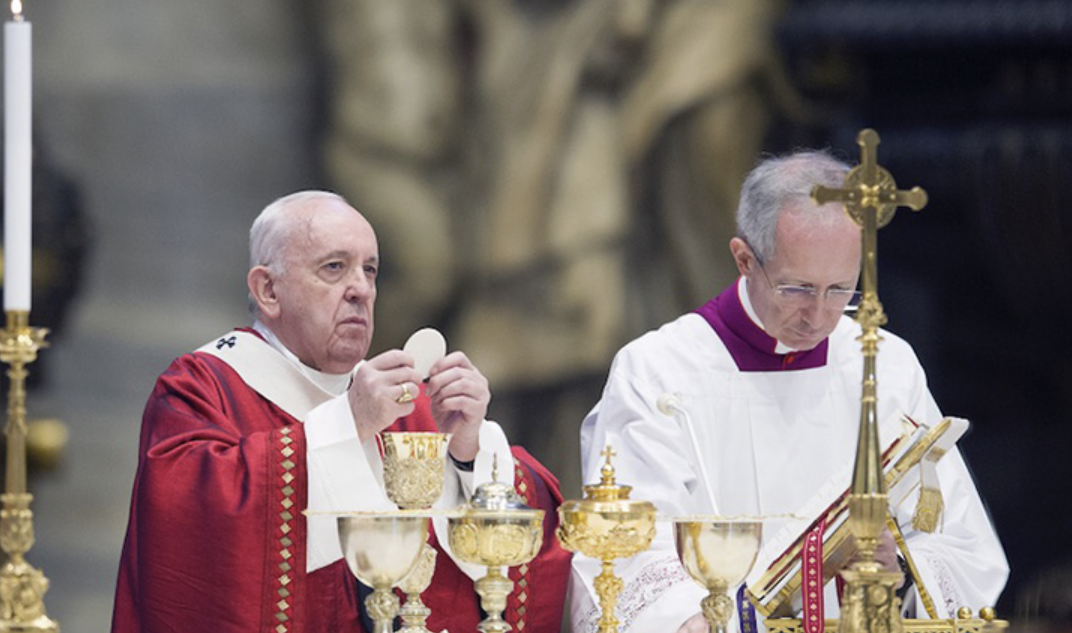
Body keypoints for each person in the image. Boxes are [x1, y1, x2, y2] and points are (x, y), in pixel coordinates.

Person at [568, 151, 1008, 633]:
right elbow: (630, 553)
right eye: (796, 288)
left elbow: (963, 545)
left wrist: (898, 567)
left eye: (842, 290)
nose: (818, 316)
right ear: (744, 259)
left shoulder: (885, 365)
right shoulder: (660, 371)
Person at [111, 191, 571, 633]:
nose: (361, 290)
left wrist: (468, 455)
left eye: (370, 270)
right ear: (268, 290)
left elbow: (529, 530)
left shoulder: (404, 406)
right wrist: (347, 426)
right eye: (334, 268)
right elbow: (185, 521)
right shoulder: (204, 387)